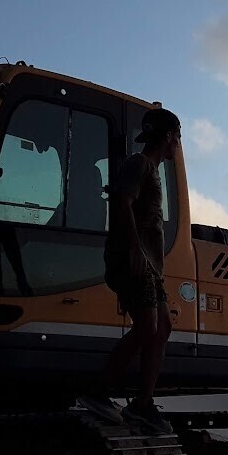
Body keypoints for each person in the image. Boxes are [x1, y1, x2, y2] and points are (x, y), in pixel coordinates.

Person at [79, 107, 181, 434]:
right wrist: (136, 249)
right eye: (177, 137)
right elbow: (122, 202)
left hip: (151, 266)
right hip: (132, 262)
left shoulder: (149, 168)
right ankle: (96, 392)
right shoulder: (138, 165)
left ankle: (143, 404)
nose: (178, 145)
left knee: (161, 327)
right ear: (167, 137)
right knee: (147, 328)